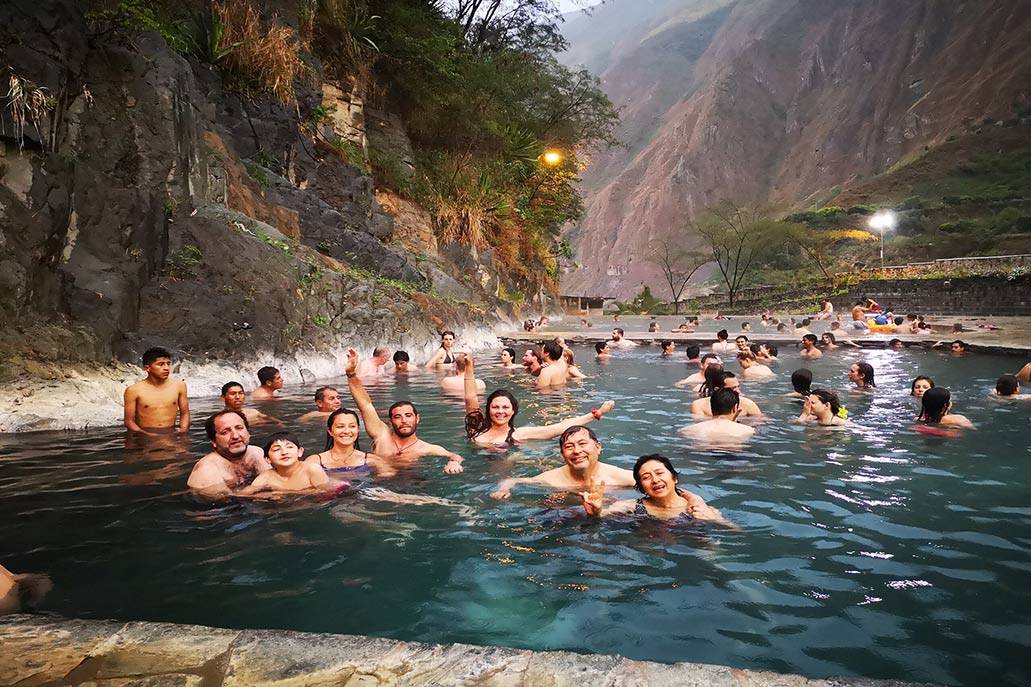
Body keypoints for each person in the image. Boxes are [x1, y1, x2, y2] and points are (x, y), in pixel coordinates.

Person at [345, 349, 463, 473]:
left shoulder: (425, 448)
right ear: (390, 421)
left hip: (411, 483)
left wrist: (453, 463)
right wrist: (351, 374)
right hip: (375, 483)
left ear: (417, 418)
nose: (404, 420)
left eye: (408, 415)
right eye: (397, 417)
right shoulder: (381, 435)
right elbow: (365, 404)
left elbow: (455, 456)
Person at [463, 355, 615, 448]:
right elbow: (470, 398)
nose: (500, 411)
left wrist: (597, 413)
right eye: (495, 407)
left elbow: (558, 428)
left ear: (513, 411)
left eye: (505, 407)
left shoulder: (518, 435)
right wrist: (469, 368)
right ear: (488, 409)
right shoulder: (477, 428)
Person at [489, 426, 634, 499]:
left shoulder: (619, 477)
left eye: (582, 444)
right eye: (569, 447)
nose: (577, 451)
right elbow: (513, 480)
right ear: (562, 454)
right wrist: (503, 489)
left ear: (598, 447)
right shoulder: (552, 479)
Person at [579, 454, 730, 524]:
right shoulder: (633, 506)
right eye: (646, 477)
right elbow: (604, 514)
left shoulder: (696, 507)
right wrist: (596, 512)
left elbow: (735, 531)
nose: (655, 480)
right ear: (642, 488)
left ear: (674, 478)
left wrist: (713, 519)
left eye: (659, 473)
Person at [186, 410, 272, 497]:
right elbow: (226, 502)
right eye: (225, 432)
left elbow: (273, 479)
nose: (235, 436)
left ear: (248, 432)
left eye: (239, 428)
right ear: (213, 442)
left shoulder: (257, 452)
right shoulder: (206, 469)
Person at [306, 408, 396, 477]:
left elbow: (390, 477)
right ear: (330, 431)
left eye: (352, 426)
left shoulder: (372, 460)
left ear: (357, 429)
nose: (346, 431)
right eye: (340, 426)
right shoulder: (315, 461)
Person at [238, 432, 331, 496]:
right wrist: (265, 495)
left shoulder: (311, 469)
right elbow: (244, 495)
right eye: (276, 449)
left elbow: (324, 492)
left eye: (289, 447)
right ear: (267, 459)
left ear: (300, 452)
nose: (284, 452)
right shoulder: (267, 476)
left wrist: (284, 493)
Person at [123, 347, 190, 435]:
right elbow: (129, 421)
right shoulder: (134, 390)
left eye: (168, 364)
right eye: (161, 364)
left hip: (172, 433)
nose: (166, 368)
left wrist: (183, 430)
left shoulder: (179, 386)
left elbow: (185, 414)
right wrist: (146, 434)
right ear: (147, 368)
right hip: (145, 436)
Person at [680, 388, 755, 444]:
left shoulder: (687, 430)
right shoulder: (748, 431)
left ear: (711, 407)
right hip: (734, 455)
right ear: (735, 408)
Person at [691, 370, 762, 417]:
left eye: (738, 387)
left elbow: (760, 423)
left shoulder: (748, 404)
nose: (738, 391)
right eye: (733, 388)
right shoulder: (699, 405)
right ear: (717, 389)